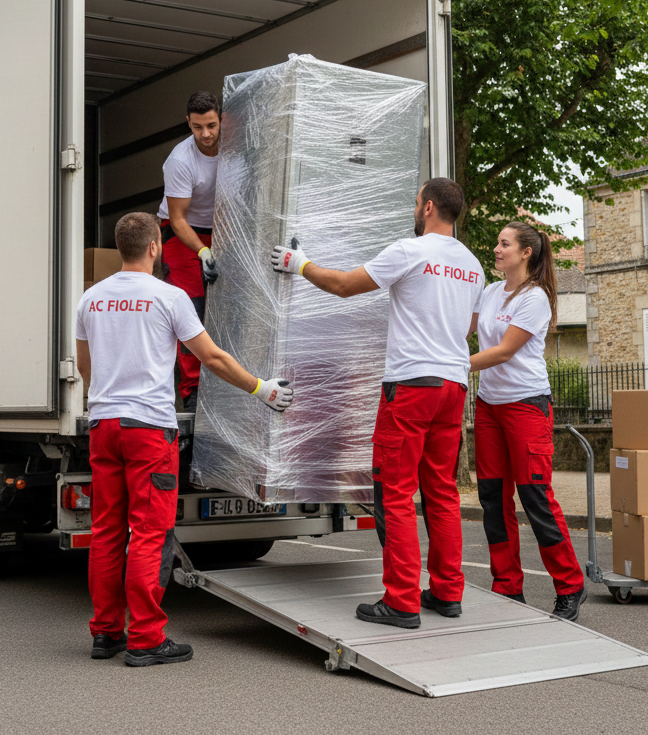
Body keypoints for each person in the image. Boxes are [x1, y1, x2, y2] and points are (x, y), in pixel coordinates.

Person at [77, 211, 294, 667]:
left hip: (103, 425)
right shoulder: (169, 297)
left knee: (107, 531)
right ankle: (145, 639)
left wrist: (107, 398)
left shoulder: (91, 299)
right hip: (148, 430)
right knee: (149, 533)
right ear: (154, 247)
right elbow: (212, 358)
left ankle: (105, 633)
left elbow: (84, 365)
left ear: (121, 247)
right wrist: (261, 388)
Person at [270, 178, 484, 629]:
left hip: (412, 386)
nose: (414, 209)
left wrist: (299, 263)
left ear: (429, 207)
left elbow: (344, 285)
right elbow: (468, 326)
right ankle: (447, 592)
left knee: (396, 492)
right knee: (442, 491)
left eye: (416, 202)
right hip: (454, 385)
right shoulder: (473, 265)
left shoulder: (411, 251)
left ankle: (402, 601)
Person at [469, 220, 586, 621]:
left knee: (535, 496)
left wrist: (452, 365)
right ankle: (506, 586)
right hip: (489, 406)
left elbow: (504, 351)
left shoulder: (535, 298)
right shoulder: (489, 291)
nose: (496, 248)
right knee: (493, 498)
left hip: (526, 406)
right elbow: (463, 328)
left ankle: (570, 585)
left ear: (525, 253)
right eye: (497, 242)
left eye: (504, 243)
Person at [156, 91, 222, 410]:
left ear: (221, 119)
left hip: (221, 229)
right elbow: (178, 219)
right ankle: (192, 391)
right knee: (191, 307)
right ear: (188, 123)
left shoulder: (237, 148)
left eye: (211, 125)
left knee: (227, 309)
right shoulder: (180, 160)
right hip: (182, 232)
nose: (205, 134)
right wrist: (203, 252)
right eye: (197, 127)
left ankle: (226, 384)